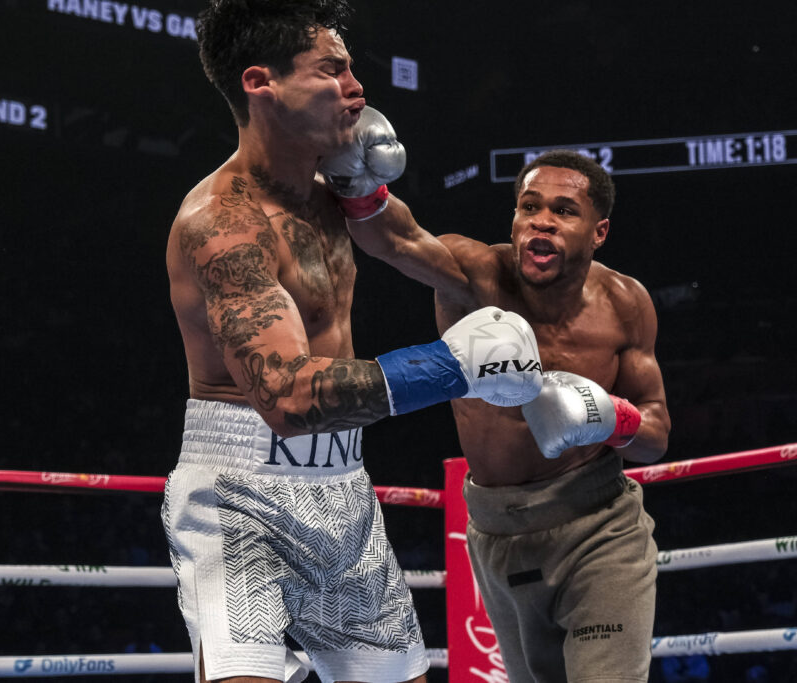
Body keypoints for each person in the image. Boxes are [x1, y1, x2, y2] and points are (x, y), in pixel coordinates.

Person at [161, 3, 543, 683]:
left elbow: (433, 258)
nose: (356, 87)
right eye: (331, 69)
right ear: (261, 83)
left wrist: (369, 200)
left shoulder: (332, 190)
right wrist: (453, 365)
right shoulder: (222, 224)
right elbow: (284, 394)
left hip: (342, 487)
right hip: (240, 490)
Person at [323, 121, 671, 682]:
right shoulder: (474, 274)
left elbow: (656, 433)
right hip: (498, 534)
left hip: (601, 527)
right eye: (529, 206)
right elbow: (395, 240)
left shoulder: (625, 304)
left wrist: (609, 416)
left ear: (599, 231)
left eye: (564, 211)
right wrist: (359, 184)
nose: (541, 221)